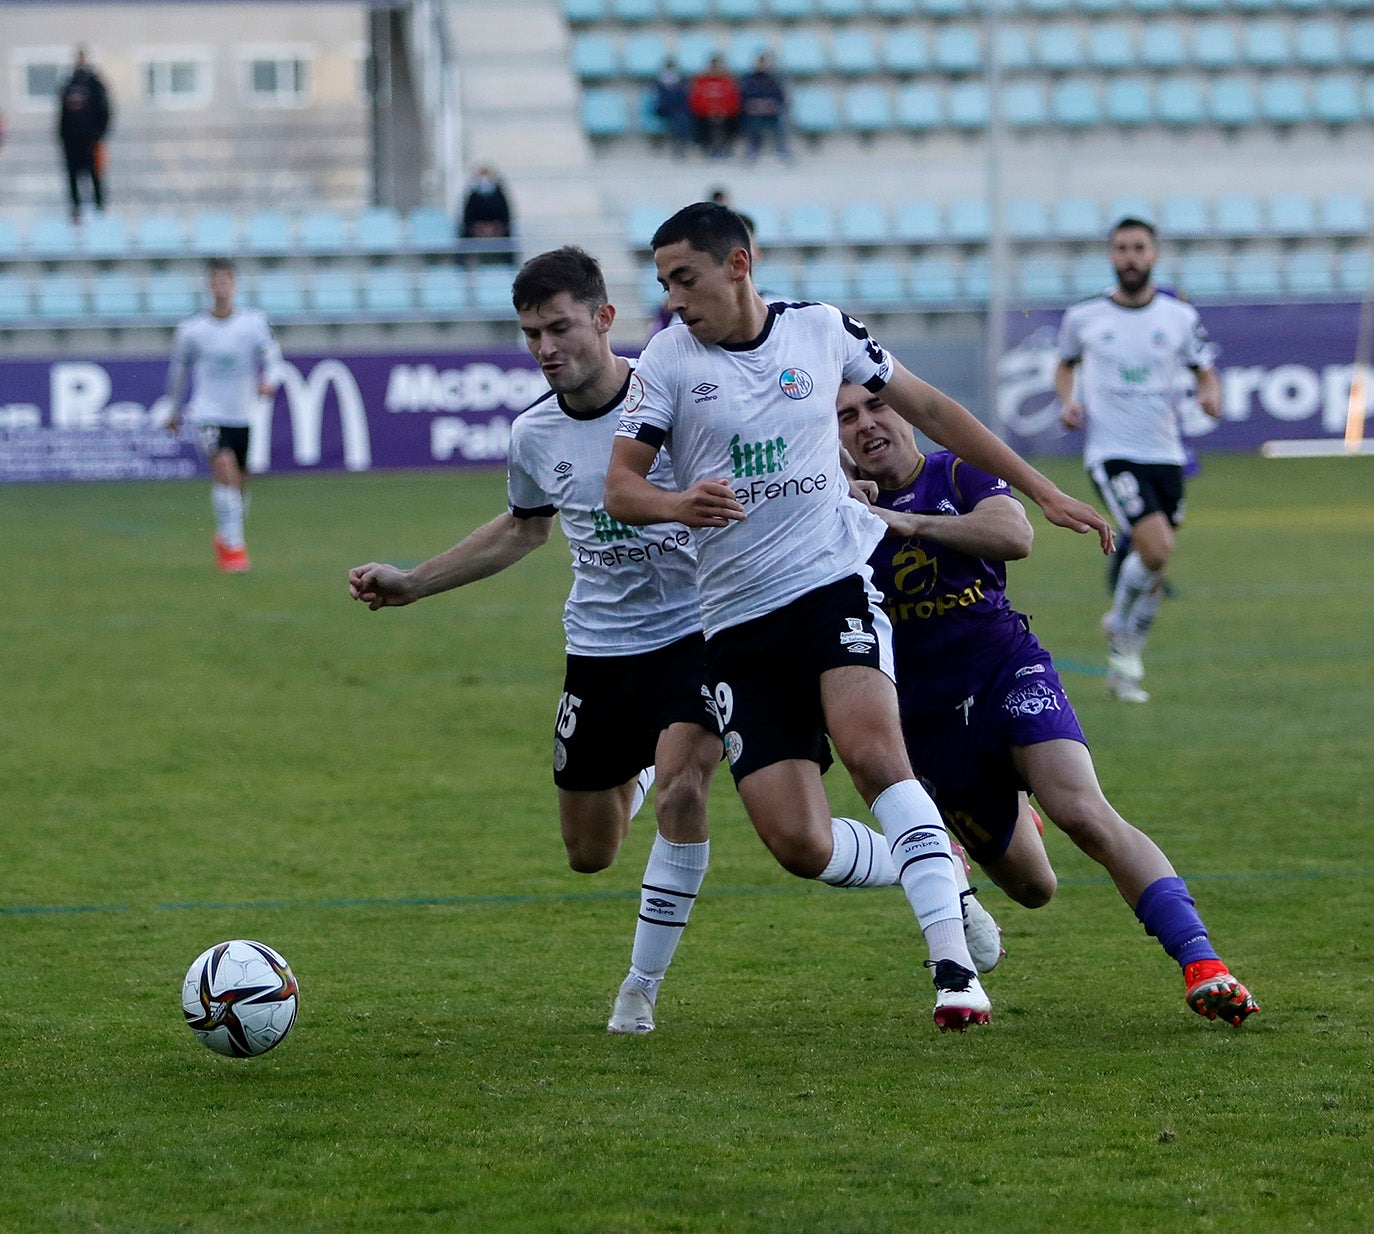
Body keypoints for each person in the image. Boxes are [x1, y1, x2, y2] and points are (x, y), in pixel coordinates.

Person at [604, 202, 1113, 1031]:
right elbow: (621, 490)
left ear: (739, 265)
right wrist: (676, 502)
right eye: (663, 283)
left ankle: (955, 974)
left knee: (876, 754)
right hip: (736, 621)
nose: (673, 298)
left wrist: (1045, 492)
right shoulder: (665, 361)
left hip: (831, 585)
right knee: (799, 846)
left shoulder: (824, 330)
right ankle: (940, 866)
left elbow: (939, 412)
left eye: (684, 278)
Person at [348, 247, 724, 1036]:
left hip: (699, 633)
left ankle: (638, 990)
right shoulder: (534, 434)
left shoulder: (680, 400)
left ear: (604, 318)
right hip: (601, 650)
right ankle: (644, 772)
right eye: (530, 335)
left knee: (688, 787)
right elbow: (524, 528)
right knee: (590, 854)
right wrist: (415, 581)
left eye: (559, 328)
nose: (547, 348)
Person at [837, 382, 1260, 1026]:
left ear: (907, 413)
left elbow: (1014, 534)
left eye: (878, 407)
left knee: (1083, 812)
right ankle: (982, 835)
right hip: (926, 723)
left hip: (1007, 670)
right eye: (846, 418)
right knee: (1035, 891)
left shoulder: (957, 467)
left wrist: (908, 521)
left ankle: (1204, 964)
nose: (867, 424)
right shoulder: (825, 508)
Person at [1054, 217, 1221, 703]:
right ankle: (1121, 628)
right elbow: (1065, 365)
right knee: (1156, 549)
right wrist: (1068, 401)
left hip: (1166, 453)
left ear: (1154, 256)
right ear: (1112, 256)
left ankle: (1125, 663)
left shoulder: (1179, 317)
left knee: (1154, 563)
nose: (1130, 256)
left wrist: (1211, 396)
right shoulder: (1085, 316)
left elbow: (1205, 370)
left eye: (1139, 248)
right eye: (1122, 248)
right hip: (1112, 452)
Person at [166, 259, 280, 573]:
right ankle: (234, 549)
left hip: (241, 413)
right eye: (215, 281)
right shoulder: (192, 330)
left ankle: (226, 535)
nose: (221, 287)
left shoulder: (253, 323)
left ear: (233, 285)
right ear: (209, 286)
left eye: (226, 281)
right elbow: (178, 372)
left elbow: (273, 358)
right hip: (207, 412)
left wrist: (269, 380)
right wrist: (173, 410)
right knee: (226, 472)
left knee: (240, 485)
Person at [57, 47, 112, 223]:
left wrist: (98, 135)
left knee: (95, 178)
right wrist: (63, 138)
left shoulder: (95, 84)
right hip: (72, 145)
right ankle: (76, 217)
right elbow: (62, 116)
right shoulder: (69, 84)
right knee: (73, 180)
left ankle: (100, 217)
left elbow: (105, 111)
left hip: (91, 143)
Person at [739, 54, 789, 162]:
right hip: (754, 111)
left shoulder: (774, 79)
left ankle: (782, 148)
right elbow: (744, 97)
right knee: (751, 120)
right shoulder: (749, 79)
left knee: (781, 119)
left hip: (771, 112)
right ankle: (753, 148)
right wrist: (755, 105)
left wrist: (770, 105)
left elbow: (781, 98)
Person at [688, 58, 740, 160]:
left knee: (735, 123)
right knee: (698, 123)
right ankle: (706, 147)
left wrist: (725, 111)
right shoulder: (701, 82)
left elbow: (733, 99)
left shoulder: (728, 82)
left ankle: (726, 147)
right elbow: (696, 99)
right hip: (705, 113)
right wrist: (708, 111)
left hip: (726, 114)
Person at [651, 60, 693, 159]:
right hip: (664, 111)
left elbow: (685, 99)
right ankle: (676, 146)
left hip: (680, 111)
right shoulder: (658, 84)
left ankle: (680, 146)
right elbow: (658, 101)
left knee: (682, 121)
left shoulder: (682, 82)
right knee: (676, 121)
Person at [459, 166, 513, 240]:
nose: (484, 180)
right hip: (475, 238)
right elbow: (467, 219)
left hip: (498, 237)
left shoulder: (499, 196)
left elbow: (506, 218)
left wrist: (494, 228)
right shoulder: (473, 197)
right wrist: (479, 228)